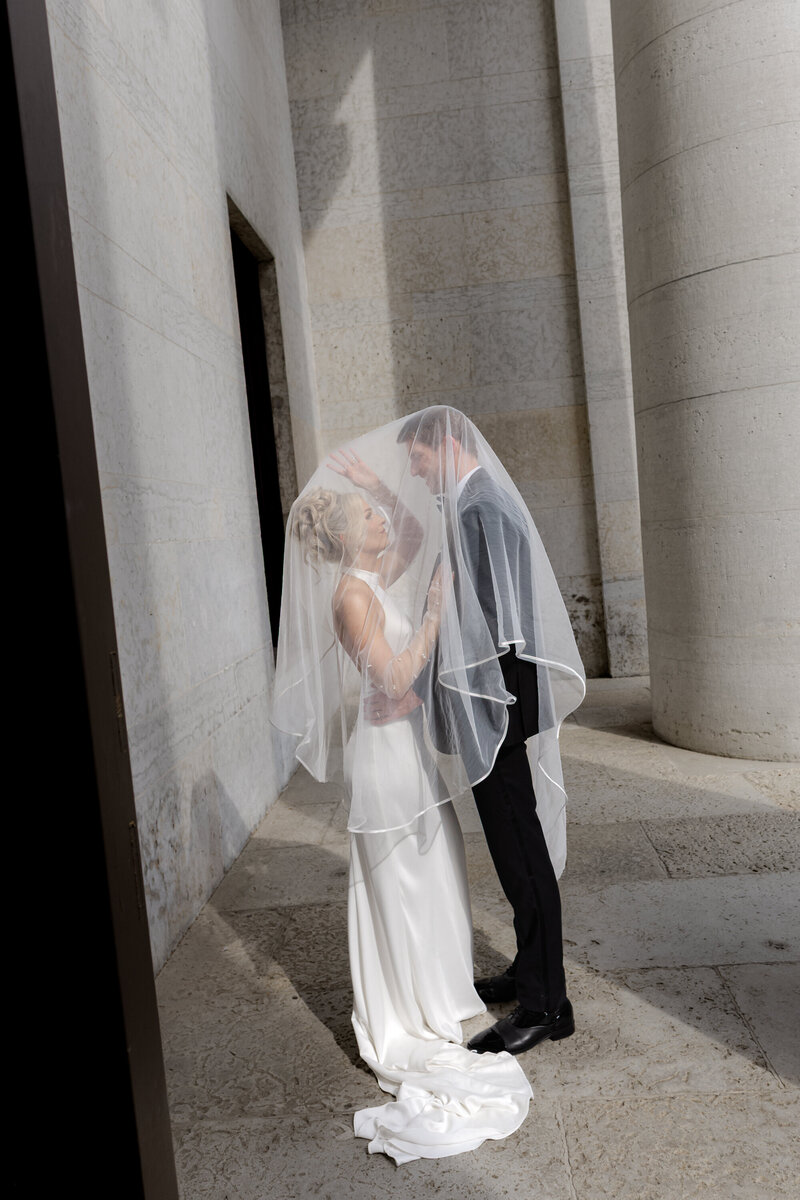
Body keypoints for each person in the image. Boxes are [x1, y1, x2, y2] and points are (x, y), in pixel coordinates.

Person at [271, 428, 533, 1164]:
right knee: (404, 876)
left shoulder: (373, 571)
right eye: (371, 517)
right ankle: (406, 1010)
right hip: (384, 758)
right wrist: (434, 616)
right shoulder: (352, 598)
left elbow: (414, 528)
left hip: (406, 747)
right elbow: (391, 680)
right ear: (352, 540)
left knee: (437, 861)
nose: (385, 522)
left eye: (376, 515)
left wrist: (377, 486)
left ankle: (441, 990)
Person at [365, 406, 586, 1055]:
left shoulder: (480, 507)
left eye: (419, 457)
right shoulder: (474, 502)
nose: (414, 469)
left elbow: (493, 624)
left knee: (523, 853)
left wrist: (436, 685)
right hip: (495, 706)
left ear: (448, 445)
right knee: (513, 849)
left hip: (501, 710)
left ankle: (548, 1007)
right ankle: (529, 970)